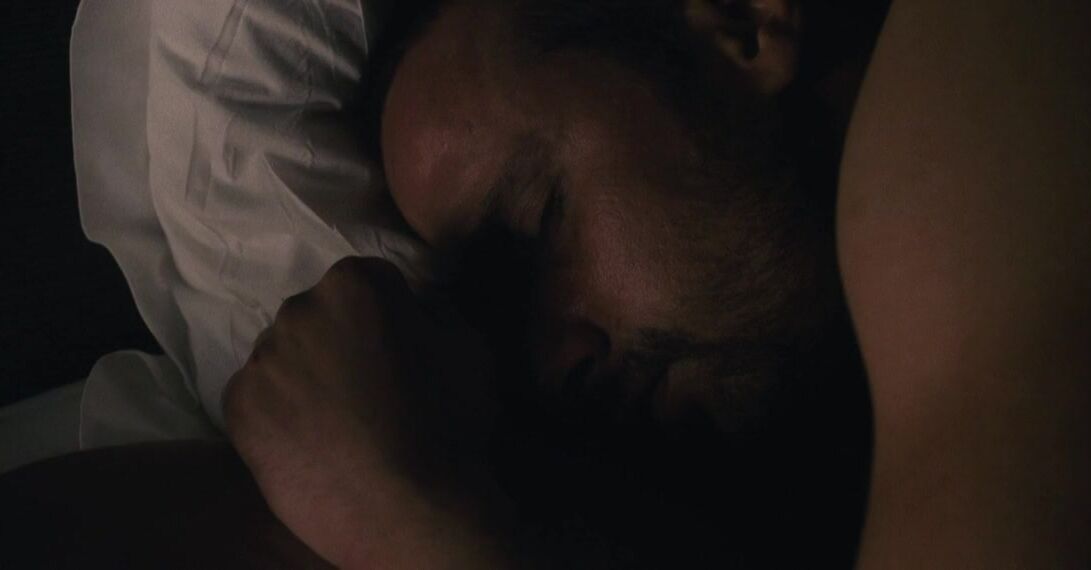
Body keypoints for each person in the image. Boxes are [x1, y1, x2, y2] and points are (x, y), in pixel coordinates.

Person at [3, 0, 1087, 567]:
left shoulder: (969, 86)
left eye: (538, 221)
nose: (550, 361)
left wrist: (414, 525)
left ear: (739, 20)